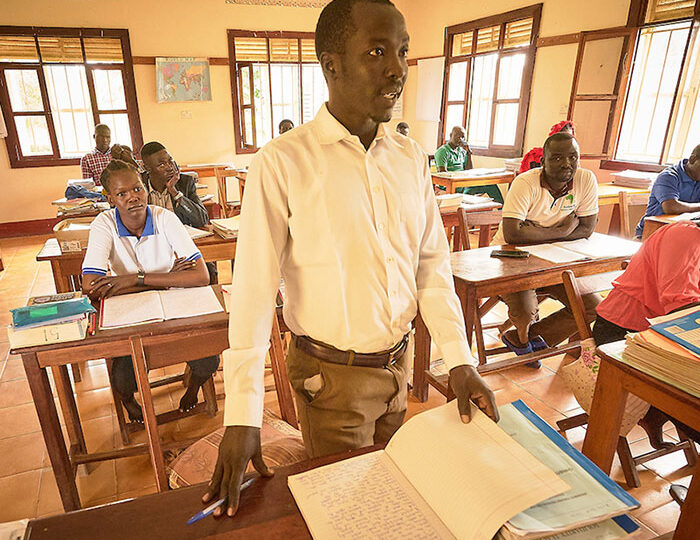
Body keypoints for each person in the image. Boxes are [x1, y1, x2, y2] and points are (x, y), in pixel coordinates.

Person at [204, 0, 498, 518]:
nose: (397, 70)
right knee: (348, 512)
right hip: (331, 382)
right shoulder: (284, 162)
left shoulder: (409, 158)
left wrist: (459, 361)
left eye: (403, 53)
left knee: (391, 497)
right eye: (378, 52)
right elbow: (251, 290)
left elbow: (430, 266)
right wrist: (243, 412)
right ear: (331, 63)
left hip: (396, 368)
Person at [81, 160, 220, 421]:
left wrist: (133, 280)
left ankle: (192, 390)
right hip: (136, 308)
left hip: (170, 302)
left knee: (207, 359)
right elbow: (90, 286)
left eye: (137, 189)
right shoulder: (104, 224)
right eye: (121, 194)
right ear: (110, 198)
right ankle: (129, 401)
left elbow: (201, 276)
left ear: (144, 187)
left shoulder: (164, 218)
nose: (132, 197)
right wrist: (169, 278)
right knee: (123, 376)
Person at [492, 132, 601, 366]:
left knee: (592, 306)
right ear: (543, 162)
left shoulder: (586, 180)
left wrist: (534, 232)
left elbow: (586, 228)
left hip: (555, 261)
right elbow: (513, 234)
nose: (566, 164)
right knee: (525, 312)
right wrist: (562, 231)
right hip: (512, 258)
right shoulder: (525, 183)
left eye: (573, 157)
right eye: (557, 158)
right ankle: (526, 340)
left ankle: (527, 340)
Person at [140, 141, 216, 284]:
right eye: (162, 164)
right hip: (152, 250)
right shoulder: (139, 185)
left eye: (170, 161)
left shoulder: (185, 182)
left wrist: (175, 192)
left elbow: (202, 219)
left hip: (182, 248)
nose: (169, 167)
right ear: (147, 168)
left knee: (208, 270)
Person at [635, 144, 700, 237]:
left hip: (682, 232)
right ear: (693, 159)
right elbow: (671, 207)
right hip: (653, 233)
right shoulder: (669, 176)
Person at [434, 126, 503, 203]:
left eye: (463, 137)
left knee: (491, 185)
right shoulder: (442, 151)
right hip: (452, 185)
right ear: (450, 135)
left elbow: (469, 171)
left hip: (463, 183)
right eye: (457, 136)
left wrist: (468, 154)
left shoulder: (461, 151)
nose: (460, 139)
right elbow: (442, 174)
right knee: (468, 190)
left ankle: (502, 210)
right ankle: (464, 208)